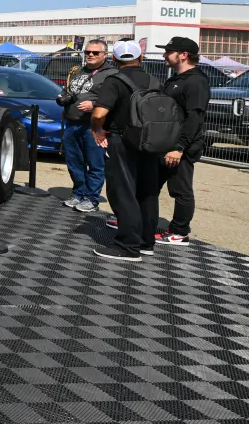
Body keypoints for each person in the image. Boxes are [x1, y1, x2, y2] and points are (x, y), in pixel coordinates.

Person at [89, 40, 160, 261]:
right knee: (147, 192)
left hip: (123, 140)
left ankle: (128, 246)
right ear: (141, 58)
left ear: (114, 59)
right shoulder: (154, 80)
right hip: (151, 141)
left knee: (123, 192)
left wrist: (97, 130)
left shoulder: (114, 81)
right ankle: (146, 242)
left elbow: (99, 113)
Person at [148, 36, 210, 246]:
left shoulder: (196, 82)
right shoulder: (176, 79)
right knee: (149, 184)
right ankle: (141, 221)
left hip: (180, 147)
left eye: (169, 51)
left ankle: (179, 232)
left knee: (180, 190)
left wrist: (179, 147)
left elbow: (195, 118)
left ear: (183, 55)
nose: (165, 54)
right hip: (164, 144)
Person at [57, 40, 115, 213]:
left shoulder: (111, 74)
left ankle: (91, 198)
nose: (90, 55)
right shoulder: (78, 71)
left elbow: (116, 99)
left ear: (105, 55)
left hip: (94, 127)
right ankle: (78, 194)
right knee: (74, 162)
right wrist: (63, 96)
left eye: (95, 53)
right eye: (87, 52)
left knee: (95, 164)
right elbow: (69, 90)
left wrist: (95, 104)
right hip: (71, 122)